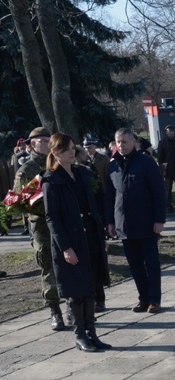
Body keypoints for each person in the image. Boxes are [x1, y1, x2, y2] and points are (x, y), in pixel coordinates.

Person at [42, 133, 111, 352]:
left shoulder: (82, 173)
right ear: (55, 153)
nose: (72, 152)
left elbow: (93, 206)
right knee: (77, 289)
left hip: (90, 236)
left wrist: (101, 236)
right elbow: (52, 217)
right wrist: (65, 247)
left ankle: (92, 332)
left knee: (91, 286)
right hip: (71, 240)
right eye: (66, 149)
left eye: (73, 148)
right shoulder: (51, 179)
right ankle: (80, 334)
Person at [105, 128, 166, 313]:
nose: (121, 146)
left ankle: (154, 299)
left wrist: (159, 219)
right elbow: (109, 196)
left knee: (151, 263)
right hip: (124, 223)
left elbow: (159, 192)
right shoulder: (112, 165)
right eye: (118, 142)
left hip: (146, 221)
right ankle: (143, 298)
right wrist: (110, 222)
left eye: (124, 142)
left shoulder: (146, 162)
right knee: (135, 265)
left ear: (133, 142)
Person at [14, 127, 66, 331]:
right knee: (48, 267)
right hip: (41, 225)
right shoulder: (26, 169)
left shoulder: (58, 163)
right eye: (41, 141)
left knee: (70, 263)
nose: (46, 144)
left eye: (48, 140)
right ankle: (55, 311)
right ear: (31, 144)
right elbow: (19, 201)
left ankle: (74, 306)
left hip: (63, 221)